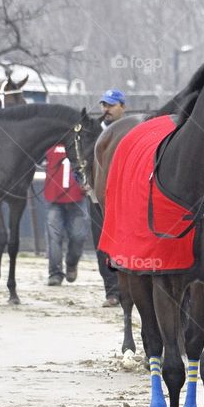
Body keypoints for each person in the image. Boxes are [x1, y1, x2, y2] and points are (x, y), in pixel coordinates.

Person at [91, 88, 126, 306]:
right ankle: (111, 291)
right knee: (102, 243)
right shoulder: (93, 131)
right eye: (104, 105)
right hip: (96, 197)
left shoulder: (132, 130)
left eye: (111, 105)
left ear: (123, 107)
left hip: (123, 198)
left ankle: (127, 288)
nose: (106, 109)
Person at [44, 143, 89, 286]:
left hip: (77, 198)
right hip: (54, 199)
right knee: (54, 237)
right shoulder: (49, 142)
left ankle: (71, 262)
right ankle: (55, 273)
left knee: (79, 236)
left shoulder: (80, 144)